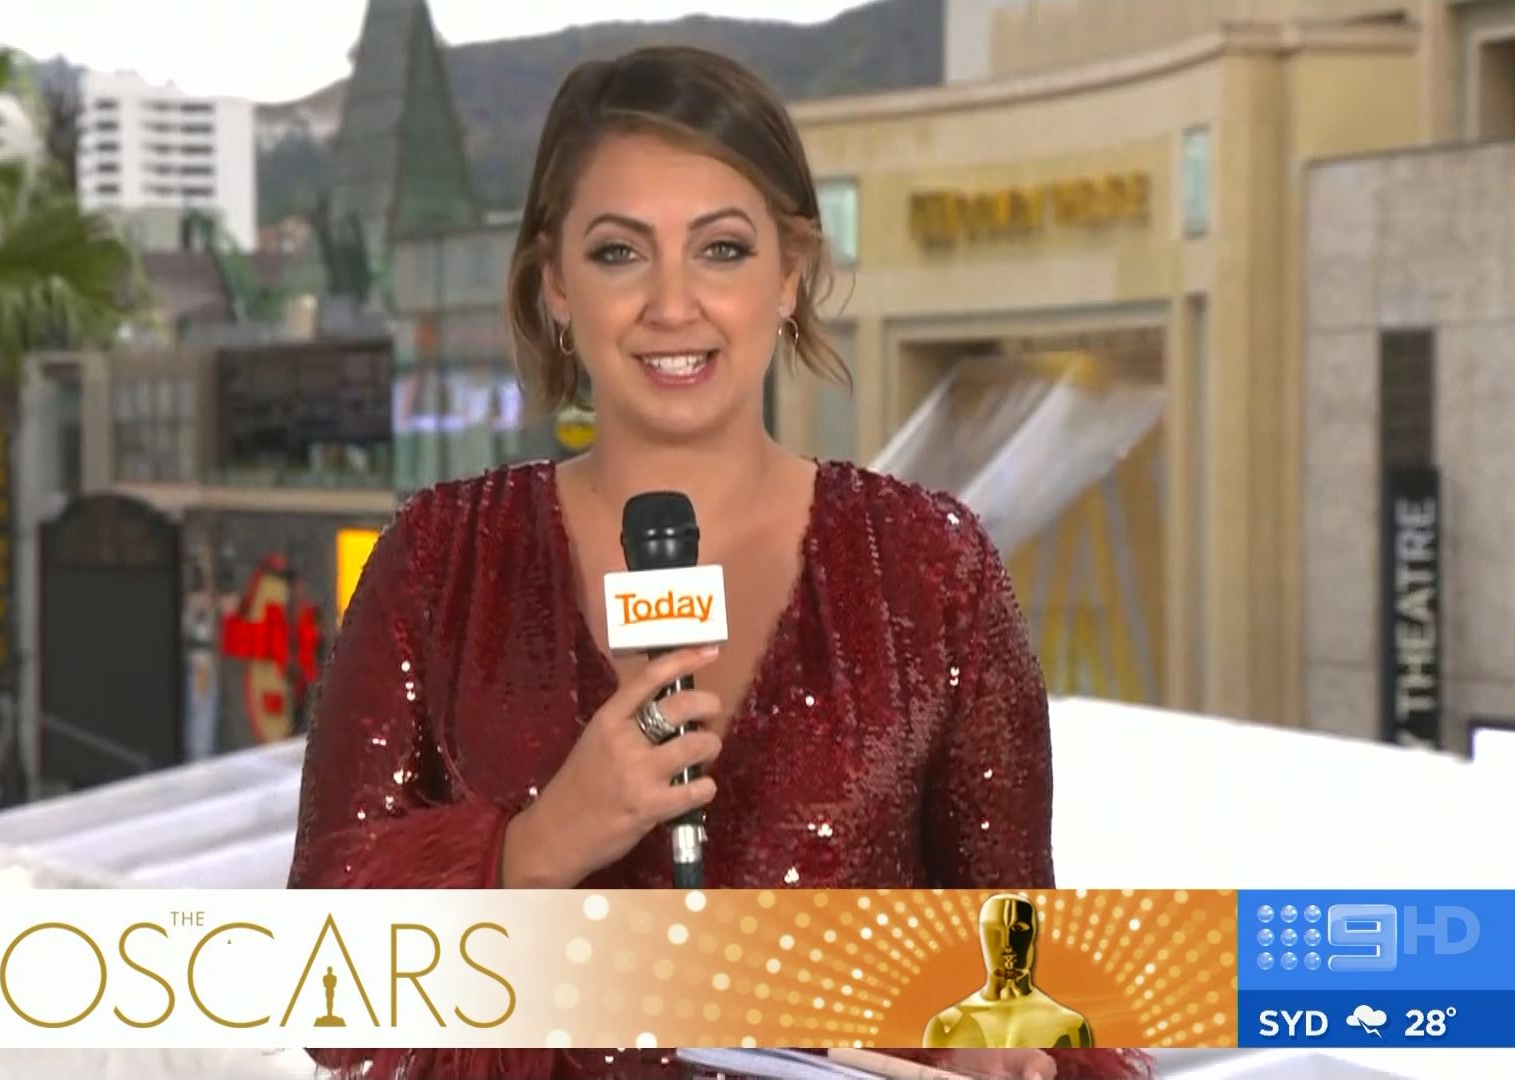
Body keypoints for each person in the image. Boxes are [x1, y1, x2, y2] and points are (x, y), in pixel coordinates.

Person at [288, 45, 1152, 1080]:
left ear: (789, 275)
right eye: (620, 253)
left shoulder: (933, 566)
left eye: (723, 250)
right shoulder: (439, 560)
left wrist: (995, 1049)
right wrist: (541, 843)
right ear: (554, 283)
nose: (672, 304)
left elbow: (1018, 969)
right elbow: (325, 991)